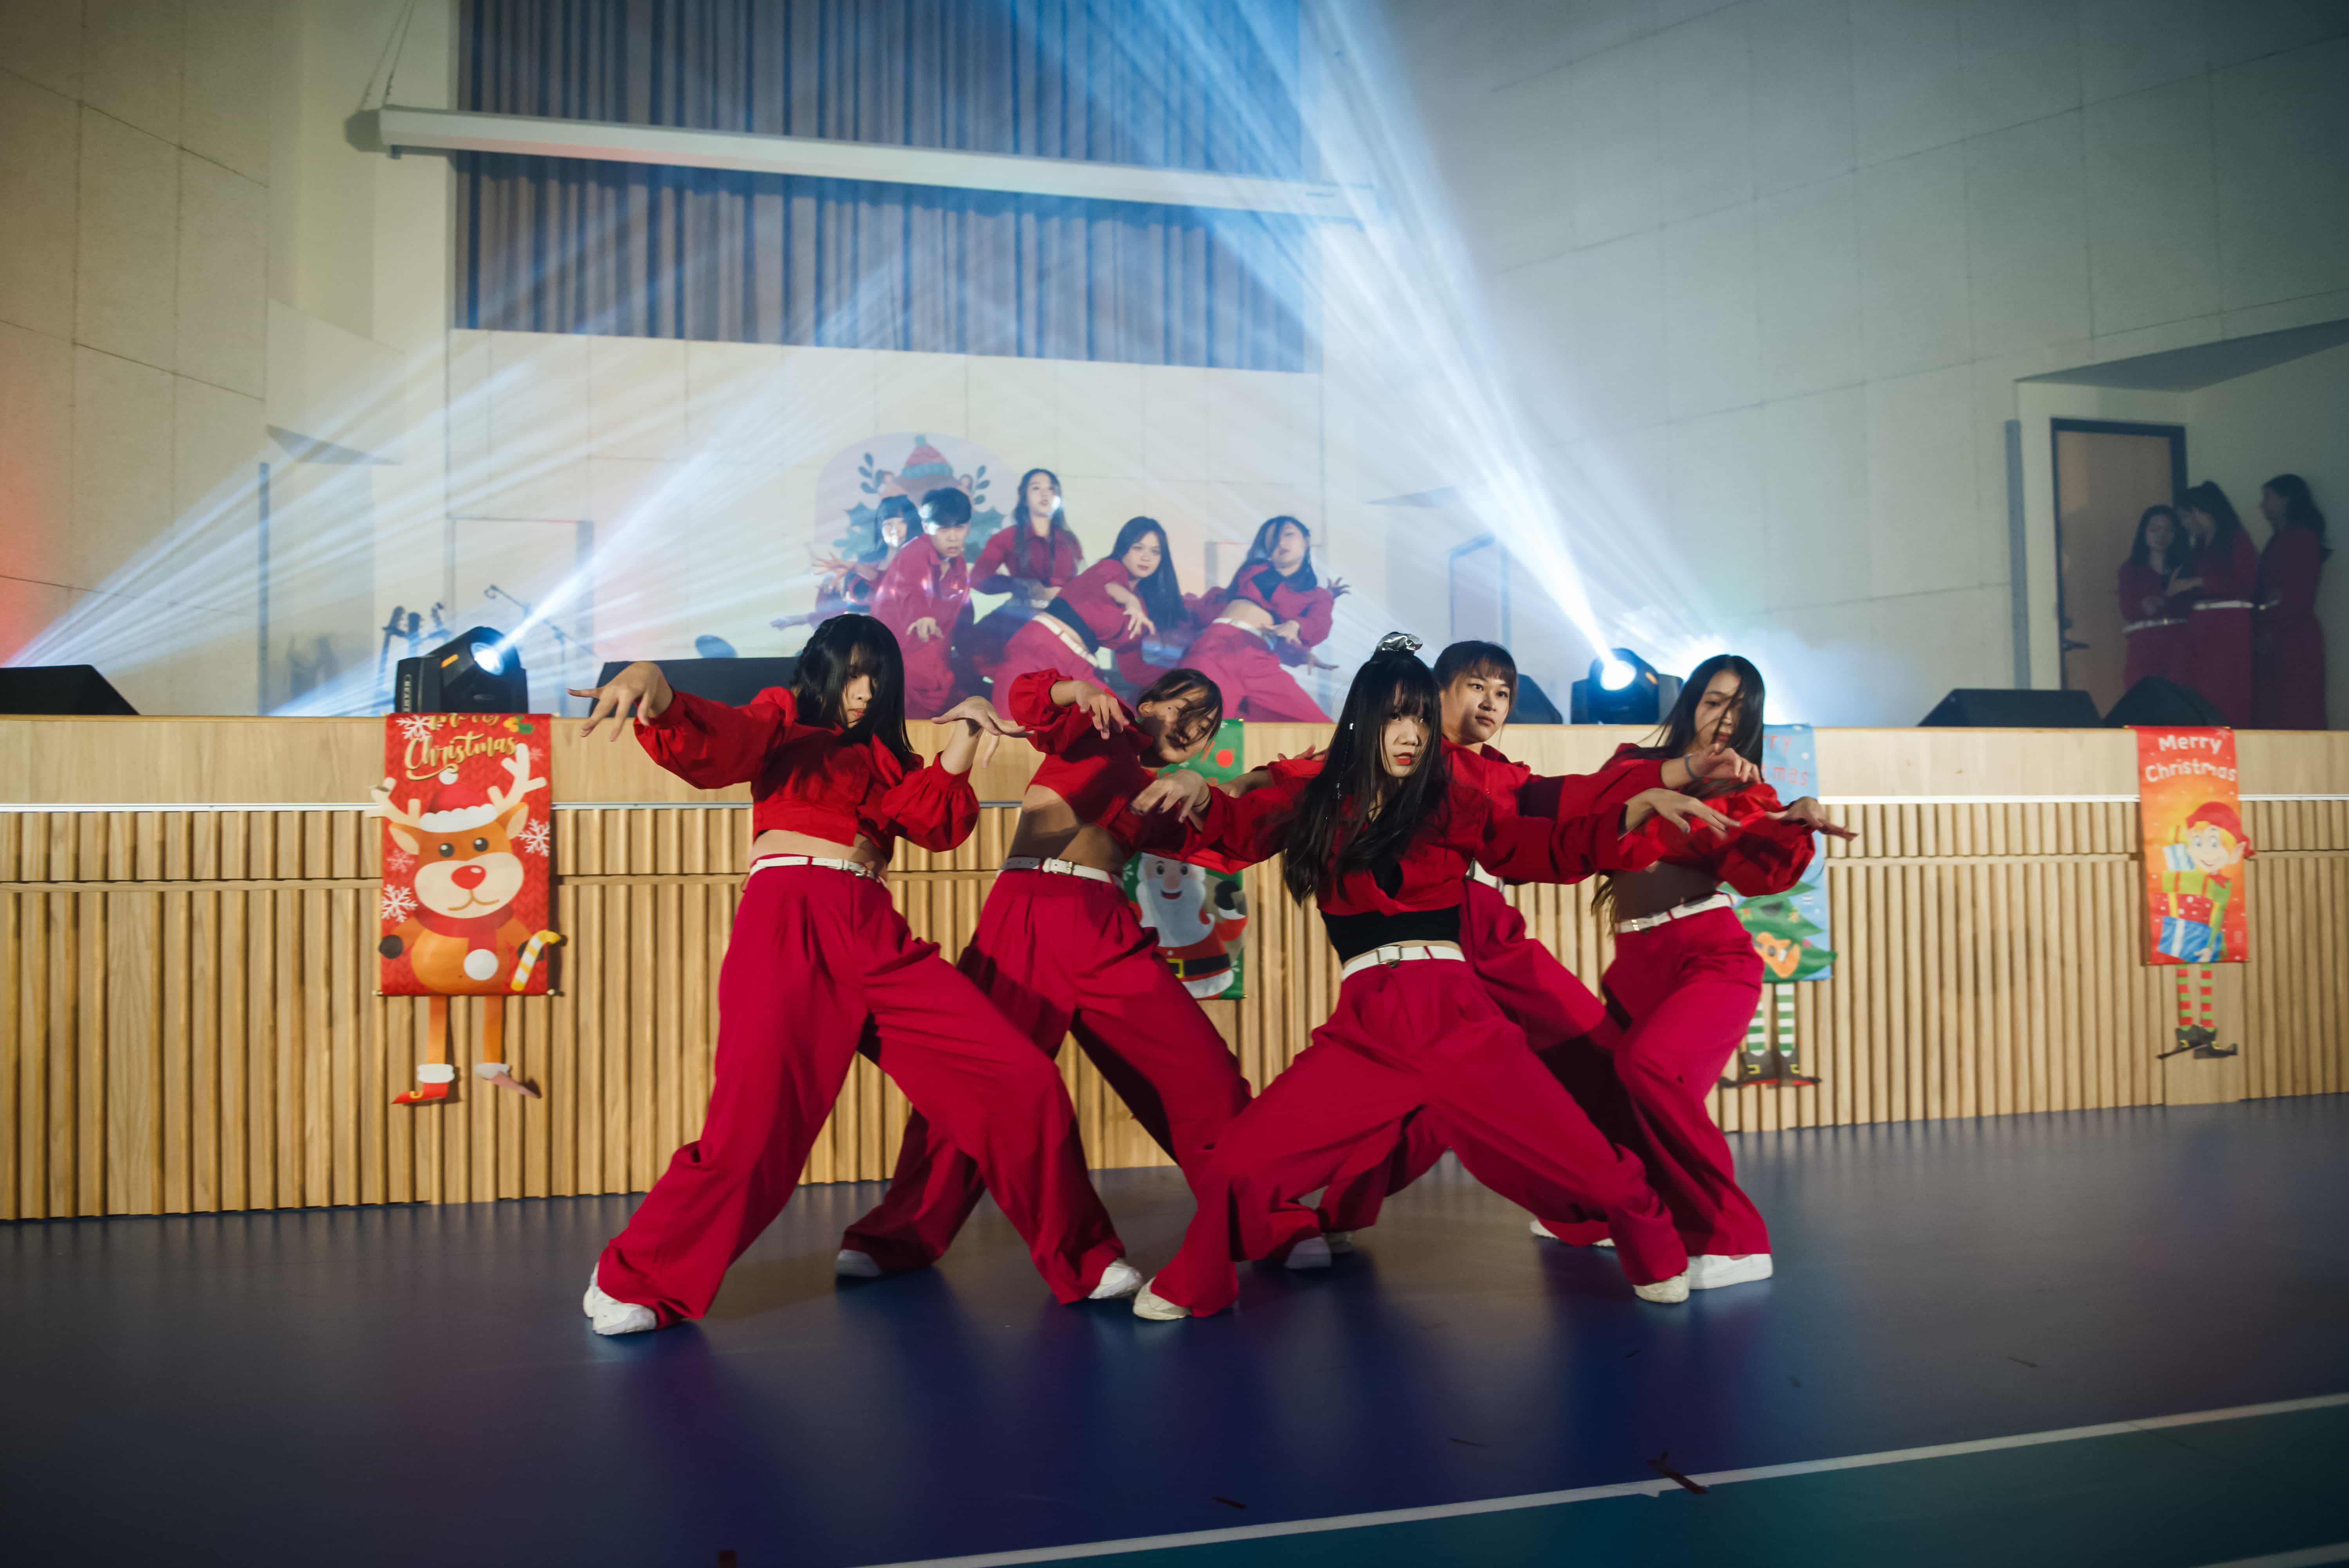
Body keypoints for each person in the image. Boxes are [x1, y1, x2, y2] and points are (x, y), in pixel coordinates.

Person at [567, 616, 1140, 1335]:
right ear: (825, 670)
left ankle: (1083, 1258)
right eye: (854, 672)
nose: (866, 690)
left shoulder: (890, 758)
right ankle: (636, 1276)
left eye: (879, 677)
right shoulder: (783, 718)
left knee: (1020, 1082)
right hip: (789, 920)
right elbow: (724, 743)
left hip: (874, 932)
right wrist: (656, 687)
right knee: (753, 1134)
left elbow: (934, 826)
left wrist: (965, 739)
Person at [1127, 636, 1694, 1321]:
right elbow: (1235, 827)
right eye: (1396, 715)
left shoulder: (1456, 803)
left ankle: (1659, 1252)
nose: (1411, 734)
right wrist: (1197, 787)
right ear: (1365, 719)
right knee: (1236, 1166)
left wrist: (1629, 813)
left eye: (1422, 718)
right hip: (1368, 1031)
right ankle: (1196, 1281)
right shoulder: (1314, 800)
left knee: (1596, 1171)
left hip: (1458, 1020)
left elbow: (1539, 848)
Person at [838, 666, 1305, 1277]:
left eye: (1206, 724)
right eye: (1182, 707)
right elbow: (1030, 696)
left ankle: (1269, 1220)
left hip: (1107, 927)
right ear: (1147, 701)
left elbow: (1240, 832)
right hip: (1026, 916)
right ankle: (896, 1237)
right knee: (980, 1086)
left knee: (1204, 1077)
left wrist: (1260, 778)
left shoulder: (1168, 793)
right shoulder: (1097, 728)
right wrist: (1078, 691)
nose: (1192, 727)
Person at [1310, 640, 1761, 1245]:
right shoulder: (1403, 758)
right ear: (1435, 693)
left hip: (1487, 934)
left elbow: (1571, 798)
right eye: (1476, 687)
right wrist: (1247, 780)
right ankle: (1333, 1217)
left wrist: (1677, 775)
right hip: (1428, 946)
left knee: (1572, 1065)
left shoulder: (1499, 775)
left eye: (1503, 693)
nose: (1491, 702)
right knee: (1429, 1103)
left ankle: (1606, 1208)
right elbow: (1305, 776)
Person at [1526, 655, 1851, 1288]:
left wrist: (1794, 822)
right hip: (1635, 962)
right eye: (1714, 701)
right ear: (1691, 703)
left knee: (1650, 1067)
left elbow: (1761, 875)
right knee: (1603, 1089)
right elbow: (1598, 814)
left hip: (1709, 956)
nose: (1726, 718)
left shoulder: (1747, 792)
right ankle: (1597, 1214)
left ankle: (1734, 1241)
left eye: (1740, 708)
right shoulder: (1634, 766)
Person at [994, 516, 1184, 693]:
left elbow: (1134, 669)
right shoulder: (1110, 568)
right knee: (1020, 715)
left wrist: (1183, 676)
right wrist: (1129, 600)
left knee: (1121, 715)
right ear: (1124, 548)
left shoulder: (1140, 609)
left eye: (1155, 551)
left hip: (1078, 663)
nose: (1146, 557)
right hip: (1040, 648)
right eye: (1138, 548)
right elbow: (1109, 585)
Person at [1180, 516, 1341, 722]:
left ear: (1307, 540)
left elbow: (1318, 624)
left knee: (1316, 726)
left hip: (1260, 657)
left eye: (1288, 534)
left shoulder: (1318, 596)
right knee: (1203, 726)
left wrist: (1298, 637)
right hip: (1218, 648)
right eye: (1273, 540)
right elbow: (1220, 605)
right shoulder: (1255, 570)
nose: (1281, 543)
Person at [870, 487, 975, 720]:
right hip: (896, 670)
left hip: (935, 671)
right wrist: (922, 615)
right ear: (927, 528)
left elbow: (964, 617)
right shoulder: (914, 552)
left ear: (967, 528)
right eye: (944, 529)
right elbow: (912, 587)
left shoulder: (959, 566)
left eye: (959, 528)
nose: (953, 537)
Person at [969, 468, 1084, 680]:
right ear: (1025, 497)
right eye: (1036, 488)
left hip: (1060, 623)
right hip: (1021, 621)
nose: (1045, 494)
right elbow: (978, 578)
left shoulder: (1069, 541)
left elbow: (1080, 586)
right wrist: (1024, 586)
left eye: (1051, 489)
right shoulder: (1008, 537)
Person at [2177, 481, 2259, 726]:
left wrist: (2198, 582)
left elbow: (2246, 583)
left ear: (2200, 512)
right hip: (2202, 627)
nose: (2184, 524)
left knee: (2226, 687)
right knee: (2200, 686)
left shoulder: (2236, 539)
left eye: (2186, 517)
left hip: (2228, 625)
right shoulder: (2199, 547)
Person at [2253, 474, 2328, 729]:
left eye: (2268, 497)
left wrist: (2271, 629)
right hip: (2273, 637)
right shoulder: (2277, 541)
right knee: (2273, 710)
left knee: (2296, 710)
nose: (2262, 505)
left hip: (2293, 639)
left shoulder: (2303, 539)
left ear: (2286, 500)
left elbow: (2297, 595)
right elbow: (2268, 592)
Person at [2118, 505, 2196, 693]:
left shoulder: (2187, 567)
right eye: (2155, 529)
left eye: (2169, 530)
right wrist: (2145, 606)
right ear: (2144, 533)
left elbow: (2192, 607)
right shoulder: (2131, 569)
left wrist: (2163, 602)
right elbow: (2128, 610)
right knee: (2145, 702)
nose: (2162, 536)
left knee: (2180, 702)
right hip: (2144, 649)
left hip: (2181, 648)